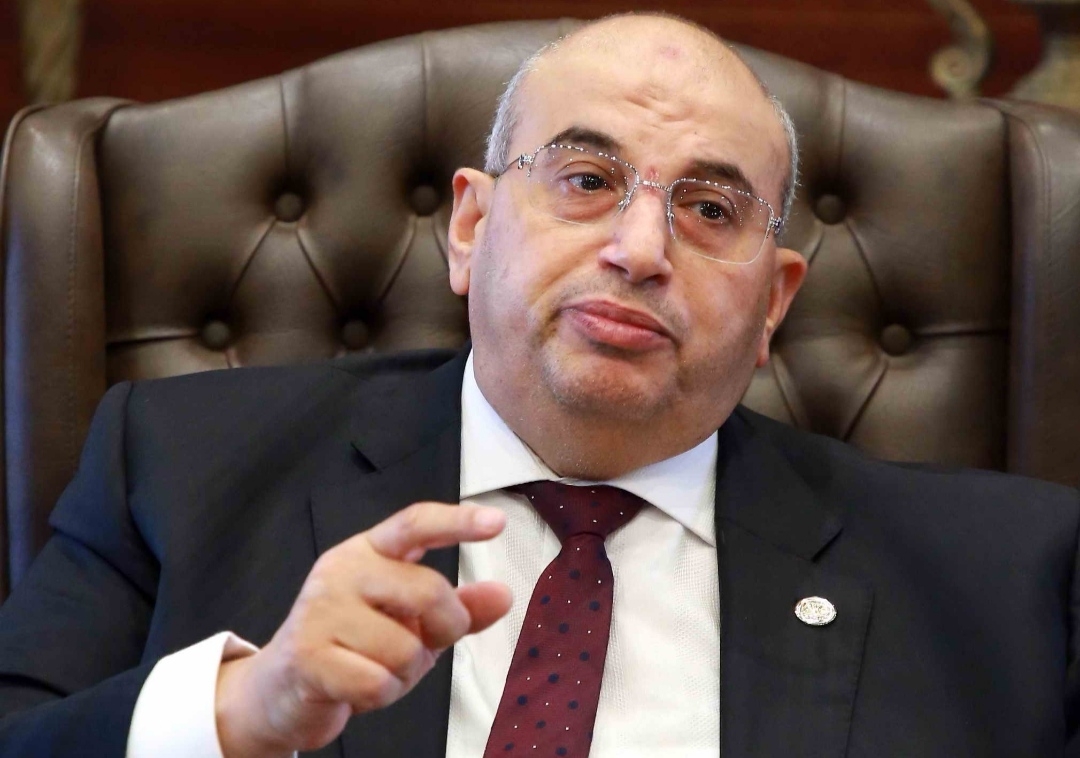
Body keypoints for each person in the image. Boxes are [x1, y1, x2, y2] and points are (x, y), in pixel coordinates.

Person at [0, 11, 1078, 758]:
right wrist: (242, 708)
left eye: (710, 209)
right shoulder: (177, 465)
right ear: (471, 227)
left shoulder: (1009, 579)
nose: (640, 249)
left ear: (774, 303)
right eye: (586, 179)